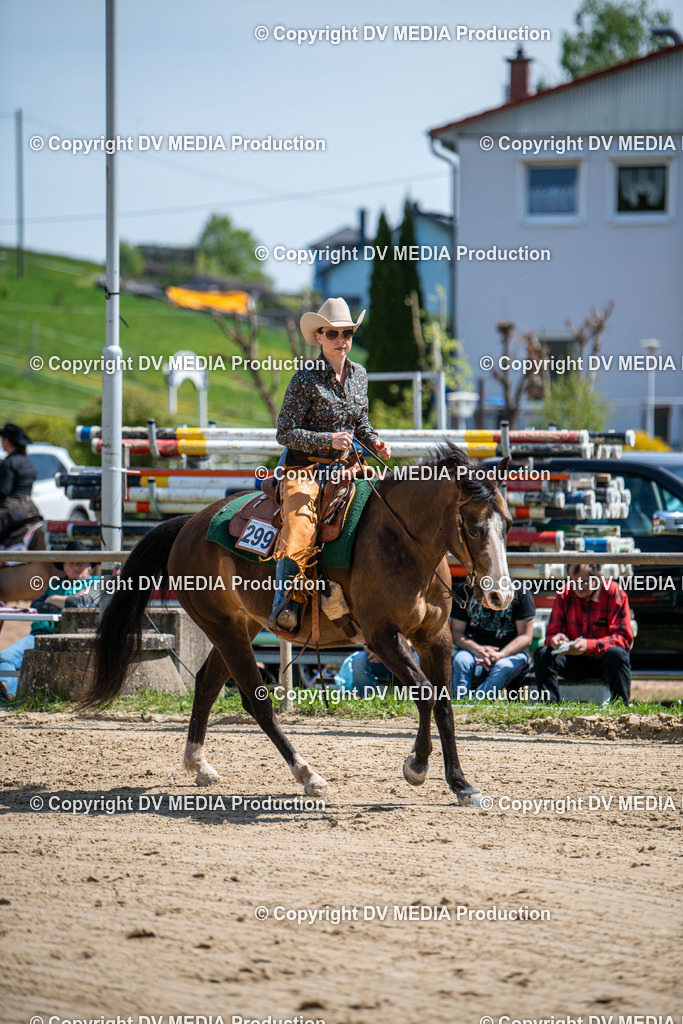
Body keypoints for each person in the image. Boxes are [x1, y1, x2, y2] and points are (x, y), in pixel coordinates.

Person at [269, 297, 391, 635]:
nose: (342, 339)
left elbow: (361, 421)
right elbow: (284, 432)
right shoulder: (304, 379)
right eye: (333, 333)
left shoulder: (360, 376)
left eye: (348, 332)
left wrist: (375, 441)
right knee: (299, 528)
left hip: (348, 467)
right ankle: (287, 601)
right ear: (319, 337)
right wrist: (327, 441)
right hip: (303, 470)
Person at [0, 542, 99, 700]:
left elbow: (79, 604)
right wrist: (65, 602)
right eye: (71, 563)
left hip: (70, 638)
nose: (76, 567)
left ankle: (8, 691)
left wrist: (53, 600)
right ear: (64, 566)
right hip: (39, 635)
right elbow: (37, 605)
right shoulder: (54, 584)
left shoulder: (96, 584)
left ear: (89, 566)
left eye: (80, 563)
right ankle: (7, 692)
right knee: (5, 656)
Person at [533, 563, 633, 704]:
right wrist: (555, 639)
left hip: (604, 661)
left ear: (598, 577)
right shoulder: (565, 592)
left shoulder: (614, 593)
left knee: (618, 654)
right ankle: (549, 706)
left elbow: (624, 638)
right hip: (574, 660)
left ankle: (621, 706)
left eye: (584, 582)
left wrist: (589, 645)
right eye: (573, 581)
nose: (577, 587)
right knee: (542, 654)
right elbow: (551, 634)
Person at [450, 582, 535, 699]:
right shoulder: (464, 590)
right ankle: (460, 703)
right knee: (461, 660)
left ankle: (475, 704)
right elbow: (456, 632)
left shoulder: (520, 591)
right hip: (472, 652)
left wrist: (501, 654)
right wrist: (476, 649)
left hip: (511, 654)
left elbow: (526, 637)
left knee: (503, 666)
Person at [0, 423, 41, 544]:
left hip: (11, 510)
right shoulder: (29, 462)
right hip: (30, 507)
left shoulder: (9, 463)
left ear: (7, 441)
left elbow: (4, 491)